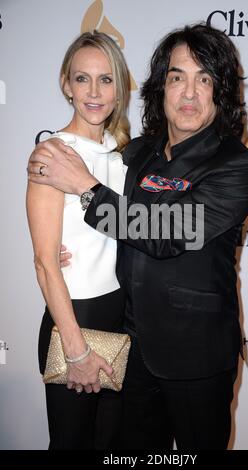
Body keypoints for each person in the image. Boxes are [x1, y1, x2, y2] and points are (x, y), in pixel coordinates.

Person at [27, 23, 248, 450]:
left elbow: (167, 232)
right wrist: (72, 253)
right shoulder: (135, 153)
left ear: (221, 90)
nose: (189, 93)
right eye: (177, 77)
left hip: (197, 358)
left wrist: (84, 187)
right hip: (129, 351)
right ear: (161, 88)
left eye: (204, 78)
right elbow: (106, 223)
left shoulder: (239, 166)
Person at [26, 30, 131, 449]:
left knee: (112, 446)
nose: (94, 91)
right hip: (76, 319)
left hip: (122, 315)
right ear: (66, 84)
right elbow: (45, 261)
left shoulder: (121, 154)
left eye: (106, 79)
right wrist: (76, 351)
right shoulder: (51, 154)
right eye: (82, 78)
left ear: (119, 88)